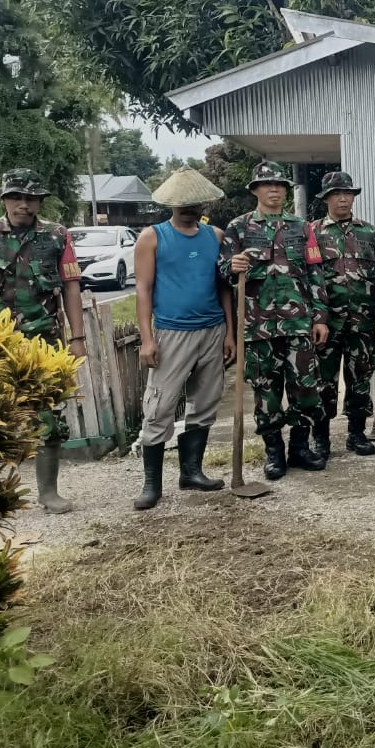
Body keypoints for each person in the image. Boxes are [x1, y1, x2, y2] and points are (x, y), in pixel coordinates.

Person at [0, 169, 86, 514]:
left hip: (42, 343)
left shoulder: (58, 236)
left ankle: (48, 492)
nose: (23, 204)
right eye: (16, 197)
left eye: (31, 198)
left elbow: (72, 287)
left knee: (48, 417)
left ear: (40, 201)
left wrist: (77, 337)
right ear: (3, 199)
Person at [132, 169, 235, 509]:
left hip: (212, 330)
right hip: (171, 332)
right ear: (172, 204)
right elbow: (143, 290)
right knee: (160, 405)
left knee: (204, 404)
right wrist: (147, 338)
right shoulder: (153, 237)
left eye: (196, 203)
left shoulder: (216, 237)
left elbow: (224, 287)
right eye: (184, 204)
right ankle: (151, 484)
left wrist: (230, 332)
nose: (190, 209)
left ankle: (192, 472)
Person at [220, 161, 329, 480]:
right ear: (255, 190)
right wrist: (233, 266)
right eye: (268, 185)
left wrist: (320, 317)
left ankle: (299, 448)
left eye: (280, 186)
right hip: (258, 328)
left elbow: (315, 272)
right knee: (266, 394)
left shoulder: (302, 227)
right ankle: (273, 453)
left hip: (299, 325)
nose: (274, 190)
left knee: (305, 389)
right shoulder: (238, 228)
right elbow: (224, 272)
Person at [311, 171, 375, 460]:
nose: (343, 199)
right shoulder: (313, 233)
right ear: (326, 198)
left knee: (360, 379)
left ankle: (357, 434)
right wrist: (315, 319)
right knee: (323, 382)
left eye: (348, 193)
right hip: (326, 324)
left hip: (363, 322)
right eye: (336, 194)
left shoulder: (369, 233)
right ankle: (321, 438)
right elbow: (308, 279)